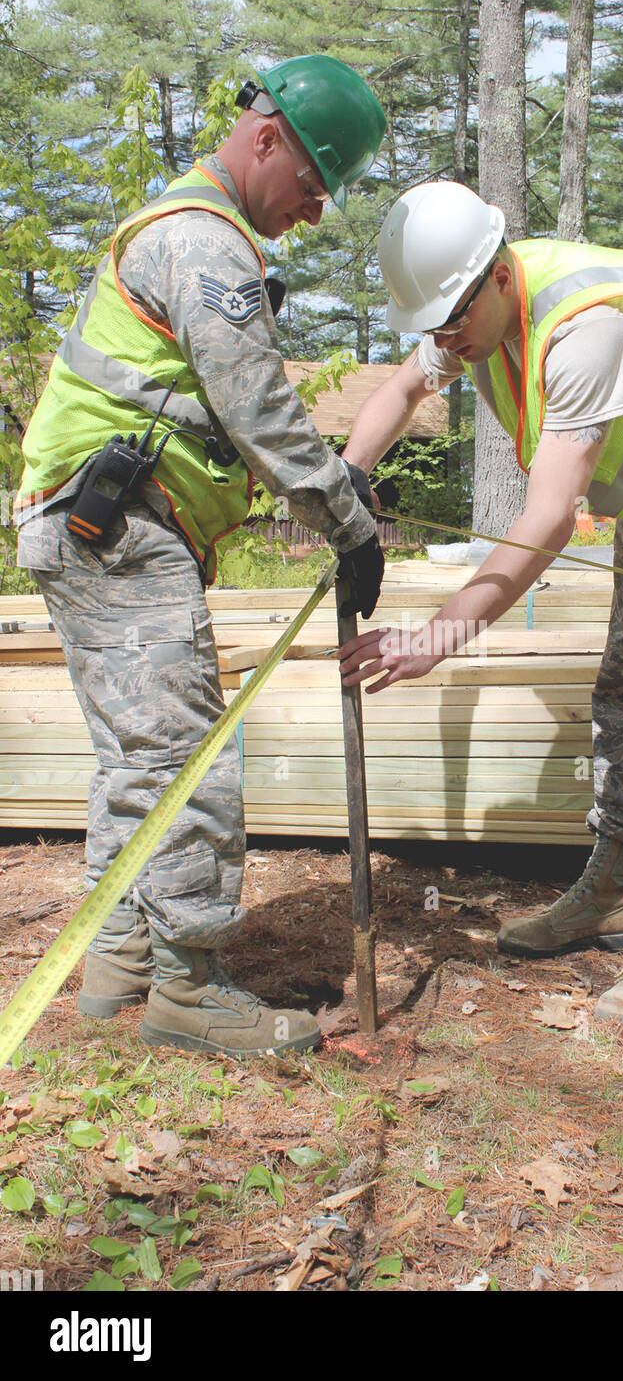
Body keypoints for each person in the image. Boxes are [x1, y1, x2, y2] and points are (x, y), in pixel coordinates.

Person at [337, 179, 623, 1029]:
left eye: (453, 324)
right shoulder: (469, 310)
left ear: (500, 277)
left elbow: (546, 521)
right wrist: (347, 484)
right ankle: (613, 890)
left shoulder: (583, 327)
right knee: (622, 683)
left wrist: (440, 636)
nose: (446, 344)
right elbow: (401, 392)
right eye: (433, 327)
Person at [15, 55, 388, 1056]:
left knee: (136, 757)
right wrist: (347, 523)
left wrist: (326, 488)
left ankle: (119, 958)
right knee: (185, 759)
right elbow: (258, 411)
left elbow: (226, 417)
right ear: (265, 137)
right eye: (310, 185)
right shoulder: (203, 244)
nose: (309, 213)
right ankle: (188, 989)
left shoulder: (185, 230)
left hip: (99, 525)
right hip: (119, 529)